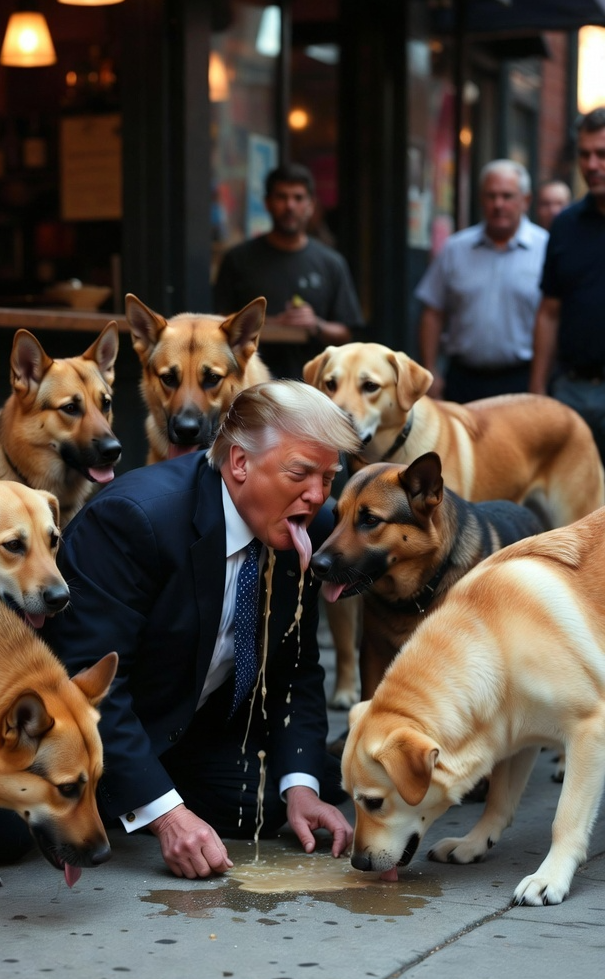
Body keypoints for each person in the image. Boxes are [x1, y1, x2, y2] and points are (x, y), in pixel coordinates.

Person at [44, 380, 358, 879]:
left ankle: (137, 793)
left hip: (188, 721)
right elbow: (87, 684)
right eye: (301, 472)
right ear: (239, 463)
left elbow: (296, 667)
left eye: (329, 476)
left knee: (266, 806)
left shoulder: (306, 526)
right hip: (84, 722)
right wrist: (168, 817)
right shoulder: (135, 520)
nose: (318, 496)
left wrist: (303, 785)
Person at [214, 164, 364, 380]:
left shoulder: (332, 263)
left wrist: (315, 324)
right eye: (281, 197)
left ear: (311, 205)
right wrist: (265, 324)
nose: (290, 205)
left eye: (298, 198)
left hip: (313, 389)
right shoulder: (237, 259)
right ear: (267, 203)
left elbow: (346, 333)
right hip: (250, 386)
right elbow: (217, 325)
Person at [415, 159, 548, 403]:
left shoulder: (546, 249)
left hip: (521, 380)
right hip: (463, 380)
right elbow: (432, 311)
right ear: (480, 199)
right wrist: (430, 369)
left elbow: (553, 316)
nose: (498, 204)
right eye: (491, 196)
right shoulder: (455, 249)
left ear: (525, 201)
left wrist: (540, 382)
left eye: (507, 196)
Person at [529, 108, 605, 460]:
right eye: (585, 154)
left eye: (602, 154)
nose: (591, 164)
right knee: (574, 509)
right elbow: (549, 312)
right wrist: (538, 389)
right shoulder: (565, 226)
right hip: (571, 390)